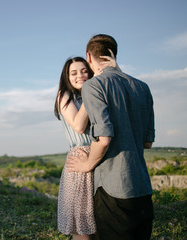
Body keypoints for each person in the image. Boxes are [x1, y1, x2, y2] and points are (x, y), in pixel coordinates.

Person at [66, 34, 155, 240]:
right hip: (142, 188)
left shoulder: (94, 85)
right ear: (113, 54)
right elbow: (147, 142)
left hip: (113, 190)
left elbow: (103, 138)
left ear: (89, 56)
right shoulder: (143, 87)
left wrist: (87, 164)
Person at [54, 55, 117, 240]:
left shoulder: (94, 94)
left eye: (84, 71)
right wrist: (92, 91)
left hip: (100, 159)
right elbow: (79, 126)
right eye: (74, 73)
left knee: (99, 224)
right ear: (67, 77)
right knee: (83, 227)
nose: (80, 75)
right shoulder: (64, 95)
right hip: (80, 162)